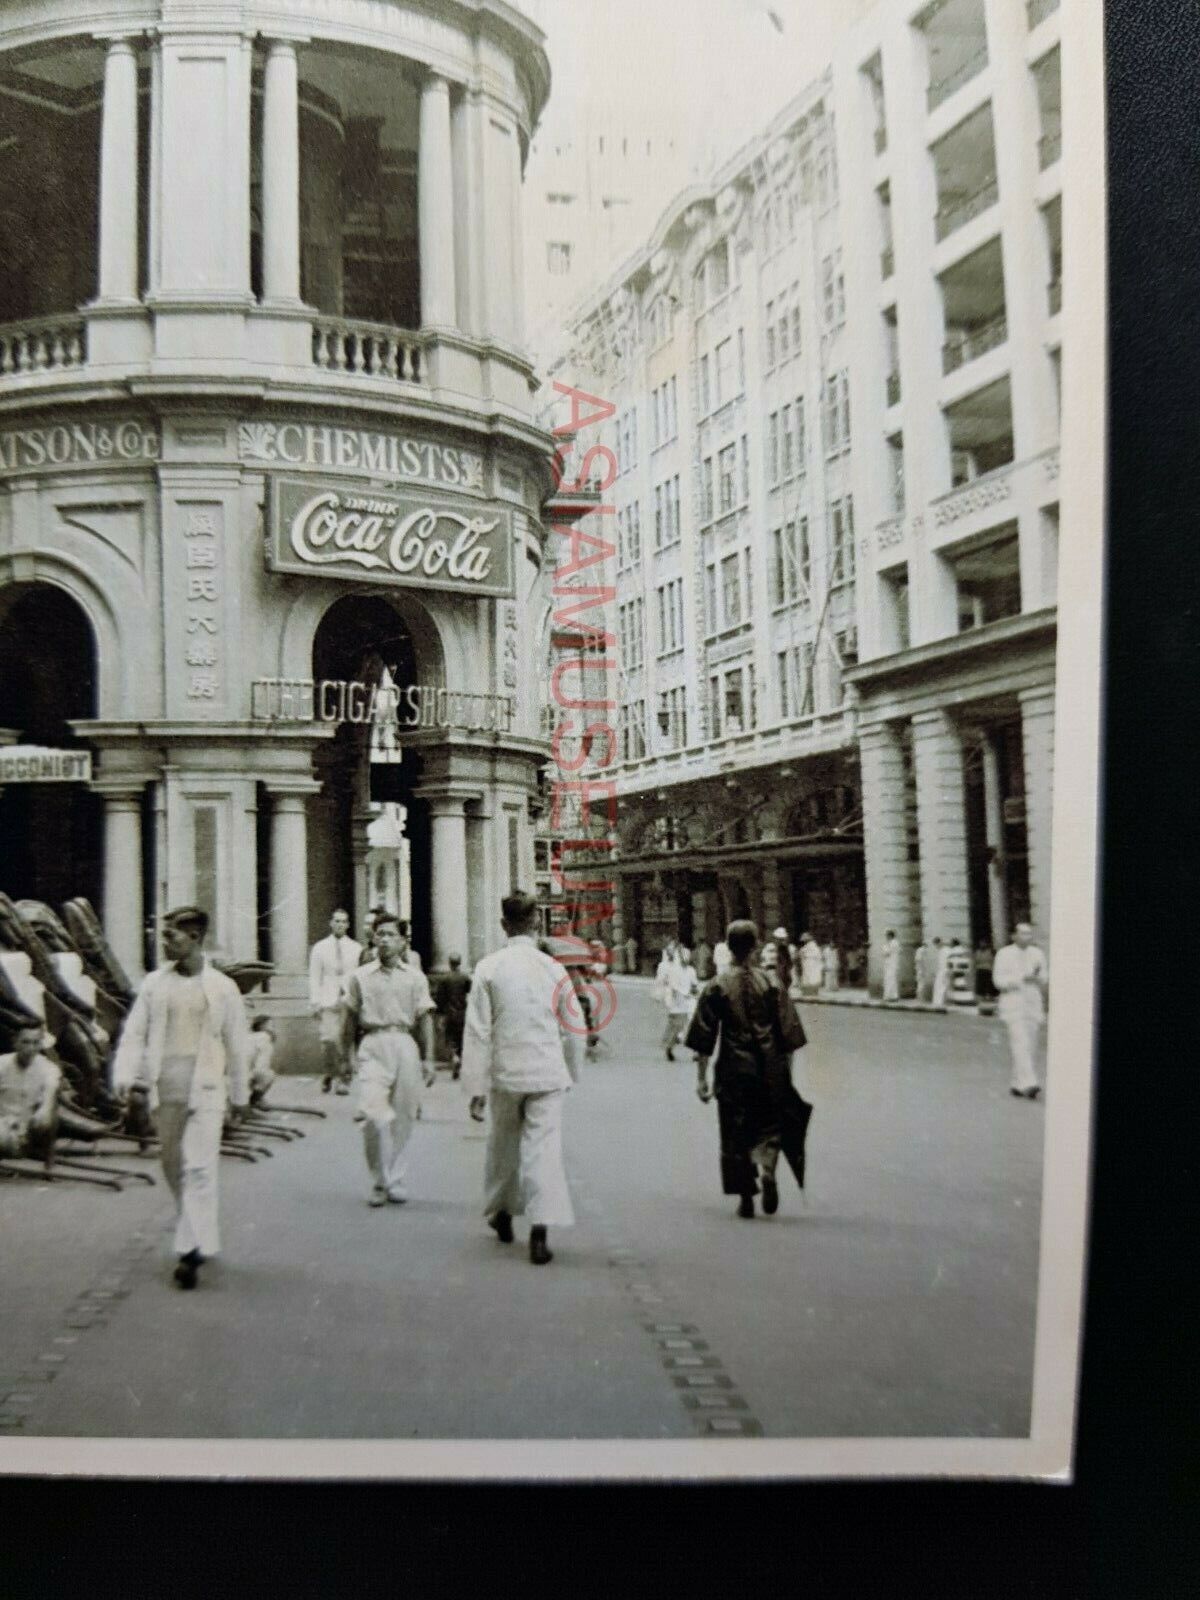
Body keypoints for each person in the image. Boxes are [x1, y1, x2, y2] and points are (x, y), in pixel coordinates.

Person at [112, 905, 250, 1290]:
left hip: (205, 1085)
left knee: (199, 1168)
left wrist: (241, 1094)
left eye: (171, 935)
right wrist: (124, 1074)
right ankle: (196, 1229)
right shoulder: (156, 984)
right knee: (173, 1165)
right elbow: (135, 1033)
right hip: (166, 1086)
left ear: (195, 938)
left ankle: (188, 1253)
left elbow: (237, 1045)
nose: (164, 942)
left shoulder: (222, 988)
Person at [462, 890, 582, 1266]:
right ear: (536, 922)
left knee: (504, 1146)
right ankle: (540, 1230)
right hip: (547, 1072)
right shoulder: (554, 968)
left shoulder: (489, 968)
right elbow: (574, 1027)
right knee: (542, 1150)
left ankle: (500, 1211)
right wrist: (570, 1072)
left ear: (503, 924)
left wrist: (475, 1088)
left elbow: (478, 1031)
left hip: (505, 1073)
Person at [685, 920, 812, 1220]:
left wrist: (701, 1079)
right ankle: (768, 1170)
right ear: (755, 948)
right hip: (770, 1069)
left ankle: (745, 1196)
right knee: (769, 1126)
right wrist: (786, 1076)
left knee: (735, 1132)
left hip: (733, 1070)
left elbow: (704, 1037)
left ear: (729, 948)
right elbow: (789, 1036)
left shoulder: (716, 986)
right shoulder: (772, 984)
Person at [342, 913, 437, 1207]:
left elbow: (424, 1020)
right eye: (379, 934)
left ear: (402, 941)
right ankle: (379, 1180)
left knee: (403, 1116)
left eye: (390, 935)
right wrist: (345, 1058)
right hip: (373, 1043)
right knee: (371, 1114)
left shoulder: (415, 978)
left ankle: (396, 1180)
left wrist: (429, 1059)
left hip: (404, 1043)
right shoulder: (359, 977)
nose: (383, 939)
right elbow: (349, 1018)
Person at [308, 909, 362, 1094]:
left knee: (345, 1041)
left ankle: (344, 1079)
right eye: (337, 921)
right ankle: (329, 1072)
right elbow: (315, 976)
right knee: (329, 1040)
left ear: (348, 925)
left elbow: (357, 976)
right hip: (327, 998)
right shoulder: (320, 948)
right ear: (330, 923)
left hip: (347, 999)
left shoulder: (356, 948)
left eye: (343, 921)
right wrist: (315, 1001)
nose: (340, 925)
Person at [992, 923, 1048, 1099]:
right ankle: (1029, 1083)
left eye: (1029, 934)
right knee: (1020, 1042)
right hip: (1013, 1003)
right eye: (1023, 934)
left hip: (1033, 1003)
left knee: (1030, 1044)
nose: (1027, 937)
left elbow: (1045, 977)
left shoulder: (1037, 954)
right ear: (1014, 936)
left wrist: (1038, 978)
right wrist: (1020, 978)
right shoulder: (1004, 954)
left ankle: (1017, 1082)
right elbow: (998, 981)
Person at [0, 1023, 60, 1160]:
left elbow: (51, 1089)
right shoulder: (2, 1064)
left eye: (35, 1043)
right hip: (3, 1124)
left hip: (29, 1131)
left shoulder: (48, 1068)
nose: (30, 1048)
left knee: (48, 1112)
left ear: (40, 1045)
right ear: (15, 1043)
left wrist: (45, 1109)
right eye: (25, 1042)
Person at [435, 954, 472, 1080]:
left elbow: (440, 1000)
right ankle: (459, 1057)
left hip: (449, 1014)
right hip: (462, 1013)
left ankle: (454, 1057)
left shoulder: (444, 979)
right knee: (461, 1039)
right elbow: (470, 993)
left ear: (450, 963)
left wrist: (440, 1017)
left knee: (449, 1039)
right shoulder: (465, 977)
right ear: (460, 963)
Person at [655, 941, 686, 1060]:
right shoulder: (664, 966)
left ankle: (672, 1038)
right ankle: (671, 1040)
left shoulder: (678, 966)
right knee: (675, 1017)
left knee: (676, 1018)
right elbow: (660, 980)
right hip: (670, 993)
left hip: (679, 993)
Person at [247, 1016, 277, 1108]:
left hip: (236, 1074)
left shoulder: (250, 1036)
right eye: (272, 1026)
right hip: (249, 1074)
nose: (274, 1029)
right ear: (262, 1026)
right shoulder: (264, 1037)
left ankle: (252, 1099)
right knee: (269, 1075)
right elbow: (261, 1065)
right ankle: (255, 1100)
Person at [798, 932, 823, 997]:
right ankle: (809, 992)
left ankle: (812, 992)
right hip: (808, 964)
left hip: (812, 964)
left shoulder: (813, 947)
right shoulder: (805, 947)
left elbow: (818, 956)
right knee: (809, 977)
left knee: (812, 977)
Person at [881, 930, 901, 1002]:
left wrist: (884, 948)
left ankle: (890, 996)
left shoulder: (892, 943)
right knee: (891, 980)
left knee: (890, 980)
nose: (886, 937)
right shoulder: (894, 943)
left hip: (891, 964)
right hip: (891, 964)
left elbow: (887, 953)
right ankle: (893, 996)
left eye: (887, 935)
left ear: (890, 936)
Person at [931, 937, 950, 1008]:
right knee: (938, 986)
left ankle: (941, 1002)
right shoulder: (940, 951)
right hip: (940, 971)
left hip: (945, 970)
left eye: (936, 944)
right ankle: (938, 1002)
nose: (936, 946)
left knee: (942, 986)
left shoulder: (946, 950)